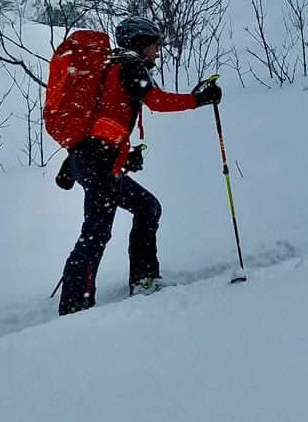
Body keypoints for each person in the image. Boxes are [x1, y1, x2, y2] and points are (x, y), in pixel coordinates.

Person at [57, 17, 221, 315]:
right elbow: (157, 101)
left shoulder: (111, 66)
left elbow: (105, 117)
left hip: (91, 160)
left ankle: (142, 278)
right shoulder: (130, 68)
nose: (157, 51)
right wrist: (198, 100)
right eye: (153, 44)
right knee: (96, 233)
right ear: (139, 43)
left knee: (146, 208)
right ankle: (75, 306)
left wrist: (121, 155)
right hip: (99, 166)